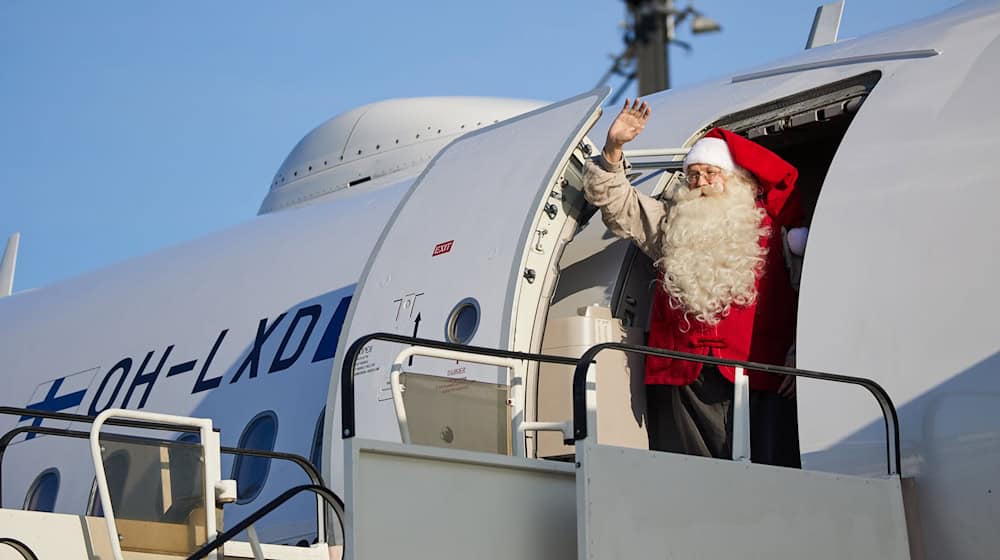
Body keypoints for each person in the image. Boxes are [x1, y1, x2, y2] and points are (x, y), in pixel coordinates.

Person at [583, 99, 807, 467]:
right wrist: (613, 149)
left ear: (736, 180)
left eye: (711, 173)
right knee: (687, 476)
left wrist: (800, 355)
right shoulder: (672, 224)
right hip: (680, 378)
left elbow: (809, 295)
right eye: (693, 175)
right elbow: (617, 202)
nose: (700, 183)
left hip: (759, 375)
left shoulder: (778, 231)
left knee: (765, 476)